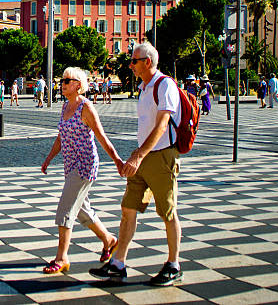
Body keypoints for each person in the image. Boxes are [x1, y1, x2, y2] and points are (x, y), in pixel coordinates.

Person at [89, 41, 183, 286]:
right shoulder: (144, 88)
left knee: (167, 211)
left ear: (147, 62)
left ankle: (174, 264)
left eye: (134, 61)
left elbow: (163, 125)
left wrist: (139, 155)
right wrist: (138, 154)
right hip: (142, 157)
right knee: (128, 208)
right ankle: (118, 264)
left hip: (161, 156)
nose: (130, 65)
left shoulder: (165, 86)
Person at [41, 67, 123, 274]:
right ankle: (109, 240)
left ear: (78, 85)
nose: (62, 84)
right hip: (70, 165)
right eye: (62, 80)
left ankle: (62, 258)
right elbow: (61, 137)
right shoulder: (65, 106)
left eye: (67, 80)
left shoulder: (86, 107)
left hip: (84, 165)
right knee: (82, 210)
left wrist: (117, 160)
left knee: (66, 209)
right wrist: (49, 159)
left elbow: (101, 136)